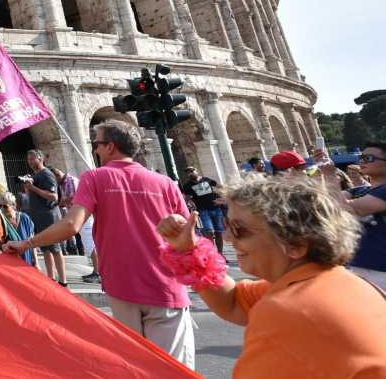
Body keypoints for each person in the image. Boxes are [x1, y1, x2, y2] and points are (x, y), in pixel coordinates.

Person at [4, 120, 195, 368]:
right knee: (174, 370)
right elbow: (189, 236)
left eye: (97, 144)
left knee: (135, 366)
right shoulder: (166, 183)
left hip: (122, 285)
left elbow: (71, 225)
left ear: (110, 147)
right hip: (167, 285)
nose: (95, 149)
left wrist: (26, 243)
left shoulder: (94, 178)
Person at [156, 176, 386, 377]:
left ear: (295, 243)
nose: (227, 237)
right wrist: (189, 250)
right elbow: (234, 302)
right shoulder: (341, 283)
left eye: (239, 229)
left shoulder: (287, 309)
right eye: (227, 224)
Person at [346, 143, 386, 289]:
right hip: (360, 266)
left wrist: (330, 175)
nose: (361, 162)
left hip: (380, 270)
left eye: (368, 158)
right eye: (361, 158)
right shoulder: (360, 191)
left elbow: (345, 208)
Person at [23, 149, 66, 285]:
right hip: (39, 216)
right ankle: (51, 278)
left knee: (55, 249)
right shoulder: (35, 176)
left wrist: (33, 188)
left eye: (32, 159)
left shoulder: (47, 174)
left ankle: (63, 281)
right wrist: (28, 187)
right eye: (28, 159)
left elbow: (54, 196)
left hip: (49, 217)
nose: (30, 162)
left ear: (40, 158)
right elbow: (33, 196)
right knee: (45, 248)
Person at [179, 167, 226, 255]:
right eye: (188, 172)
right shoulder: (187, 186)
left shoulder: (206, 180)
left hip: (216, 209)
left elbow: (219, 186)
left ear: (196, 171)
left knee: (219, 232)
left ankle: (220, 254)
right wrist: (189, 203)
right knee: (209, 231)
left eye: (192, 171)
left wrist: (223, 198)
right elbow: (186, 197)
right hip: (203, 211)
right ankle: (212, 254)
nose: (190, 173)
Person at [0, 192, 36, 266]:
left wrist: (36, 263)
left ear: (14, 205)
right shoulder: (0, 220)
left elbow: (32, 242)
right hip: (10, 263)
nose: (2, 208)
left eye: (5, 206)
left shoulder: (24, 218)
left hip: (27, 261)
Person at [53, 168, 84, 256]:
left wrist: (60, 203)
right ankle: (81, 251)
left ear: (58, 175)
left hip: (79, 212)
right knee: (77, 234)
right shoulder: (61, 184)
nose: (55, 182)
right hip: (72, 212)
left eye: (55, 179)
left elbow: (73, 197)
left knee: (83, 237)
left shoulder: (70, 181)